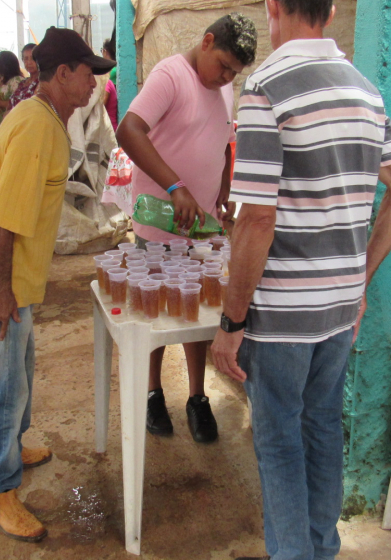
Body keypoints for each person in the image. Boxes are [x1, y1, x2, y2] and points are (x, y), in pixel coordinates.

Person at [209, 0, 391, 560]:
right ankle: (321, 556)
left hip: (281, 312)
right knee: (323, 427)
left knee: (278, 434)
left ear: (274, 6)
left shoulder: (266, 89)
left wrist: (231, 320)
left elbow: (255, 221)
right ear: (330, 10)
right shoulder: (365, 91)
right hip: (336, 310)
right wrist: (358, 280)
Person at [0, 26, 113, 543]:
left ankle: (16, 443)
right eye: (89, 74)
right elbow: (2, 218)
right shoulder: (38, 126)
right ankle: (1, 490)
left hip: (14, 279)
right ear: (62, 74)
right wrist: (2, 291)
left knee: (21, 366)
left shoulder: (44, 119)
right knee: (5, 382)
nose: (95, 84)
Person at [116, 13, 257, 443]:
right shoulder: (170, 76)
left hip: (201, 229)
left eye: (235, 71)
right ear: (207, 40)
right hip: (161, 223)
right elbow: (129, 130)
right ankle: (154, 393)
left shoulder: (223, 85)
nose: (227, 76)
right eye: (224, 65)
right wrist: (175, 185)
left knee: (197, 314)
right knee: (158, 315)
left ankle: (197, 397)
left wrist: (224, 185)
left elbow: (221, 139)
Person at [0, 50, 24, 132]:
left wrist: (0, 103)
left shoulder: (16, 81)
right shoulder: (2, 80)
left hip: (6, 127)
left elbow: (20, 103)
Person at [8, 43, 39, 109]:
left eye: (33, 58)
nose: (29, 62)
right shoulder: (22, 82)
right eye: (26, 59)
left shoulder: (42, 82)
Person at [100, 37, 118, 128]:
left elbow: (101, 105)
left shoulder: (108, 76)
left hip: (110, 127)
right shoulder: (115, 68)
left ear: (105, 51)